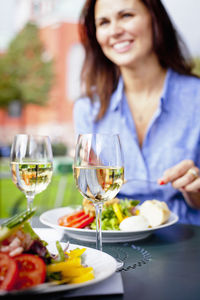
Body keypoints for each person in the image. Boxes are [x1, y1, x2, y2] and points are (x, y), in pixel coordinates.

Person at [73, 0, 200, 225]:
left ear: (155, 19)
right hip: (118, 245)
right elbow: (92, 198)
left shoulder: (196, 98)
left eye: (126, 15)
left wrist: (194, 191)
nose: (114, 31)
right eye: (104, 22)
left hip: (188, 243)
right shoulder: (87, 109)